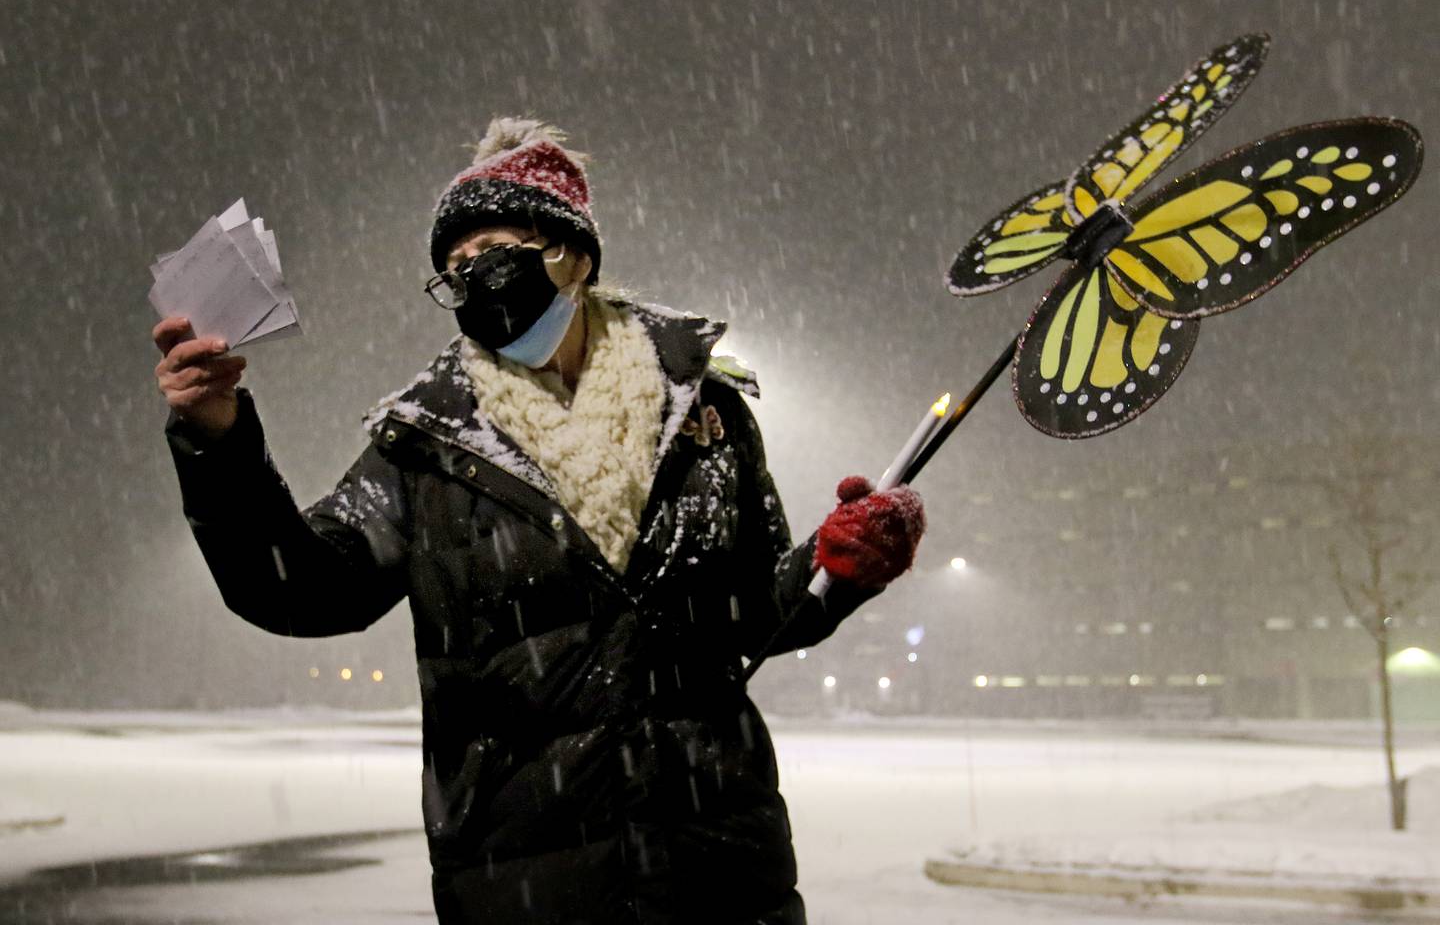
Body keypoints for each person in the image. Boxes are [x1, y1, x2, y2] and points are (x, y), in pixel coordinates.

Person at [152, 117, 926, 924]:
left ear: (572, 256)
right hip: (524, 885)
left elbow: (756, 612)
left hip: (720, 875)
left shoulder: (705, 412)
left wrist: (838, 568)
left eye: (491, 253)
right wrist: (219, 441)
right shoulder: (429, 442)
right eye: (454, 272)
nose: (474, 278)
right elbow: (297, 590)